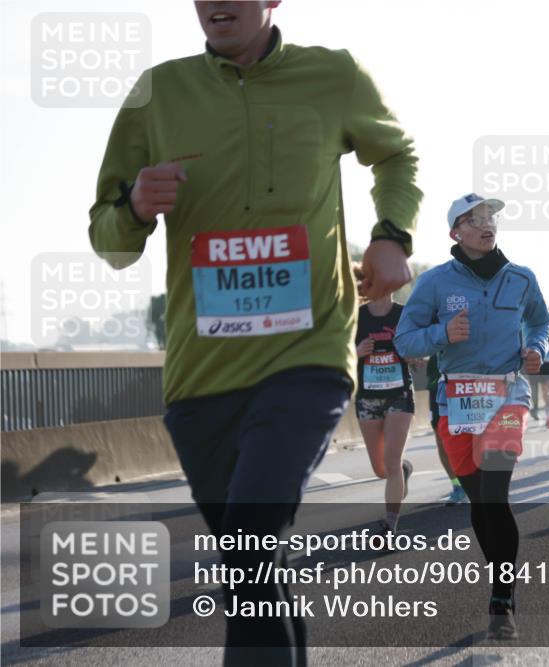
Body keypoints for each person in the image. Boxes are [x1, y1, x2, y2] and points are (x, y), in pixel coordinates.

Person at [89, 4, 421, 663]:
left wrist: (391, 237)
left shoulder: (334, 76)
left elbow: (396, 156)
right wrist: (132, 206)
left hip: (308, 356)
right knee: (253, 569)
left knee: (246, 544)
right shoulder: (158, 93)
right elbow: (109, 239)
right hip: (200, 378)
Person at [394, 192, 549, 640]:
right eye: (476, 219)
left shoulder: (521, 278)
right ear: (455, 233)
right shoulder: (435, 283)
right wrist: (443, 332)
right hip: (456, 401)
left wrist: (536, 348)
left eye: (491, 218)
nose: (487, 224)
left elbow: (540, 323)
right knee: (481, 502)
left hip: (506, 397)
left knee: (496, 494)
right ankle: (499, 582)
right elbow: (405, 341)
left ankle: (503, 599)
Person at [355, 295, 416, 535]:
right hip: (367, 398)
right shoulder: (357, 316)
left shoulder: (405, 313)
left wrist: (414, 356)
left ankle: (389, 527)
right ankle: (404, 471)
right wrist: (357, 351)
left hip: (399, 395)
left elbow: (421, 346)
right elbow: (336, 354)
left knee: (391, 463)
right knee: (381, 469)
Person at [425, 354, 467, 505]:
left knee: (470, 434)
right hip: (437, 383)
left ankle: (478, 483)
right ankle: (457, 485)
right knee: (441, 437)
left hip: (466, 378)